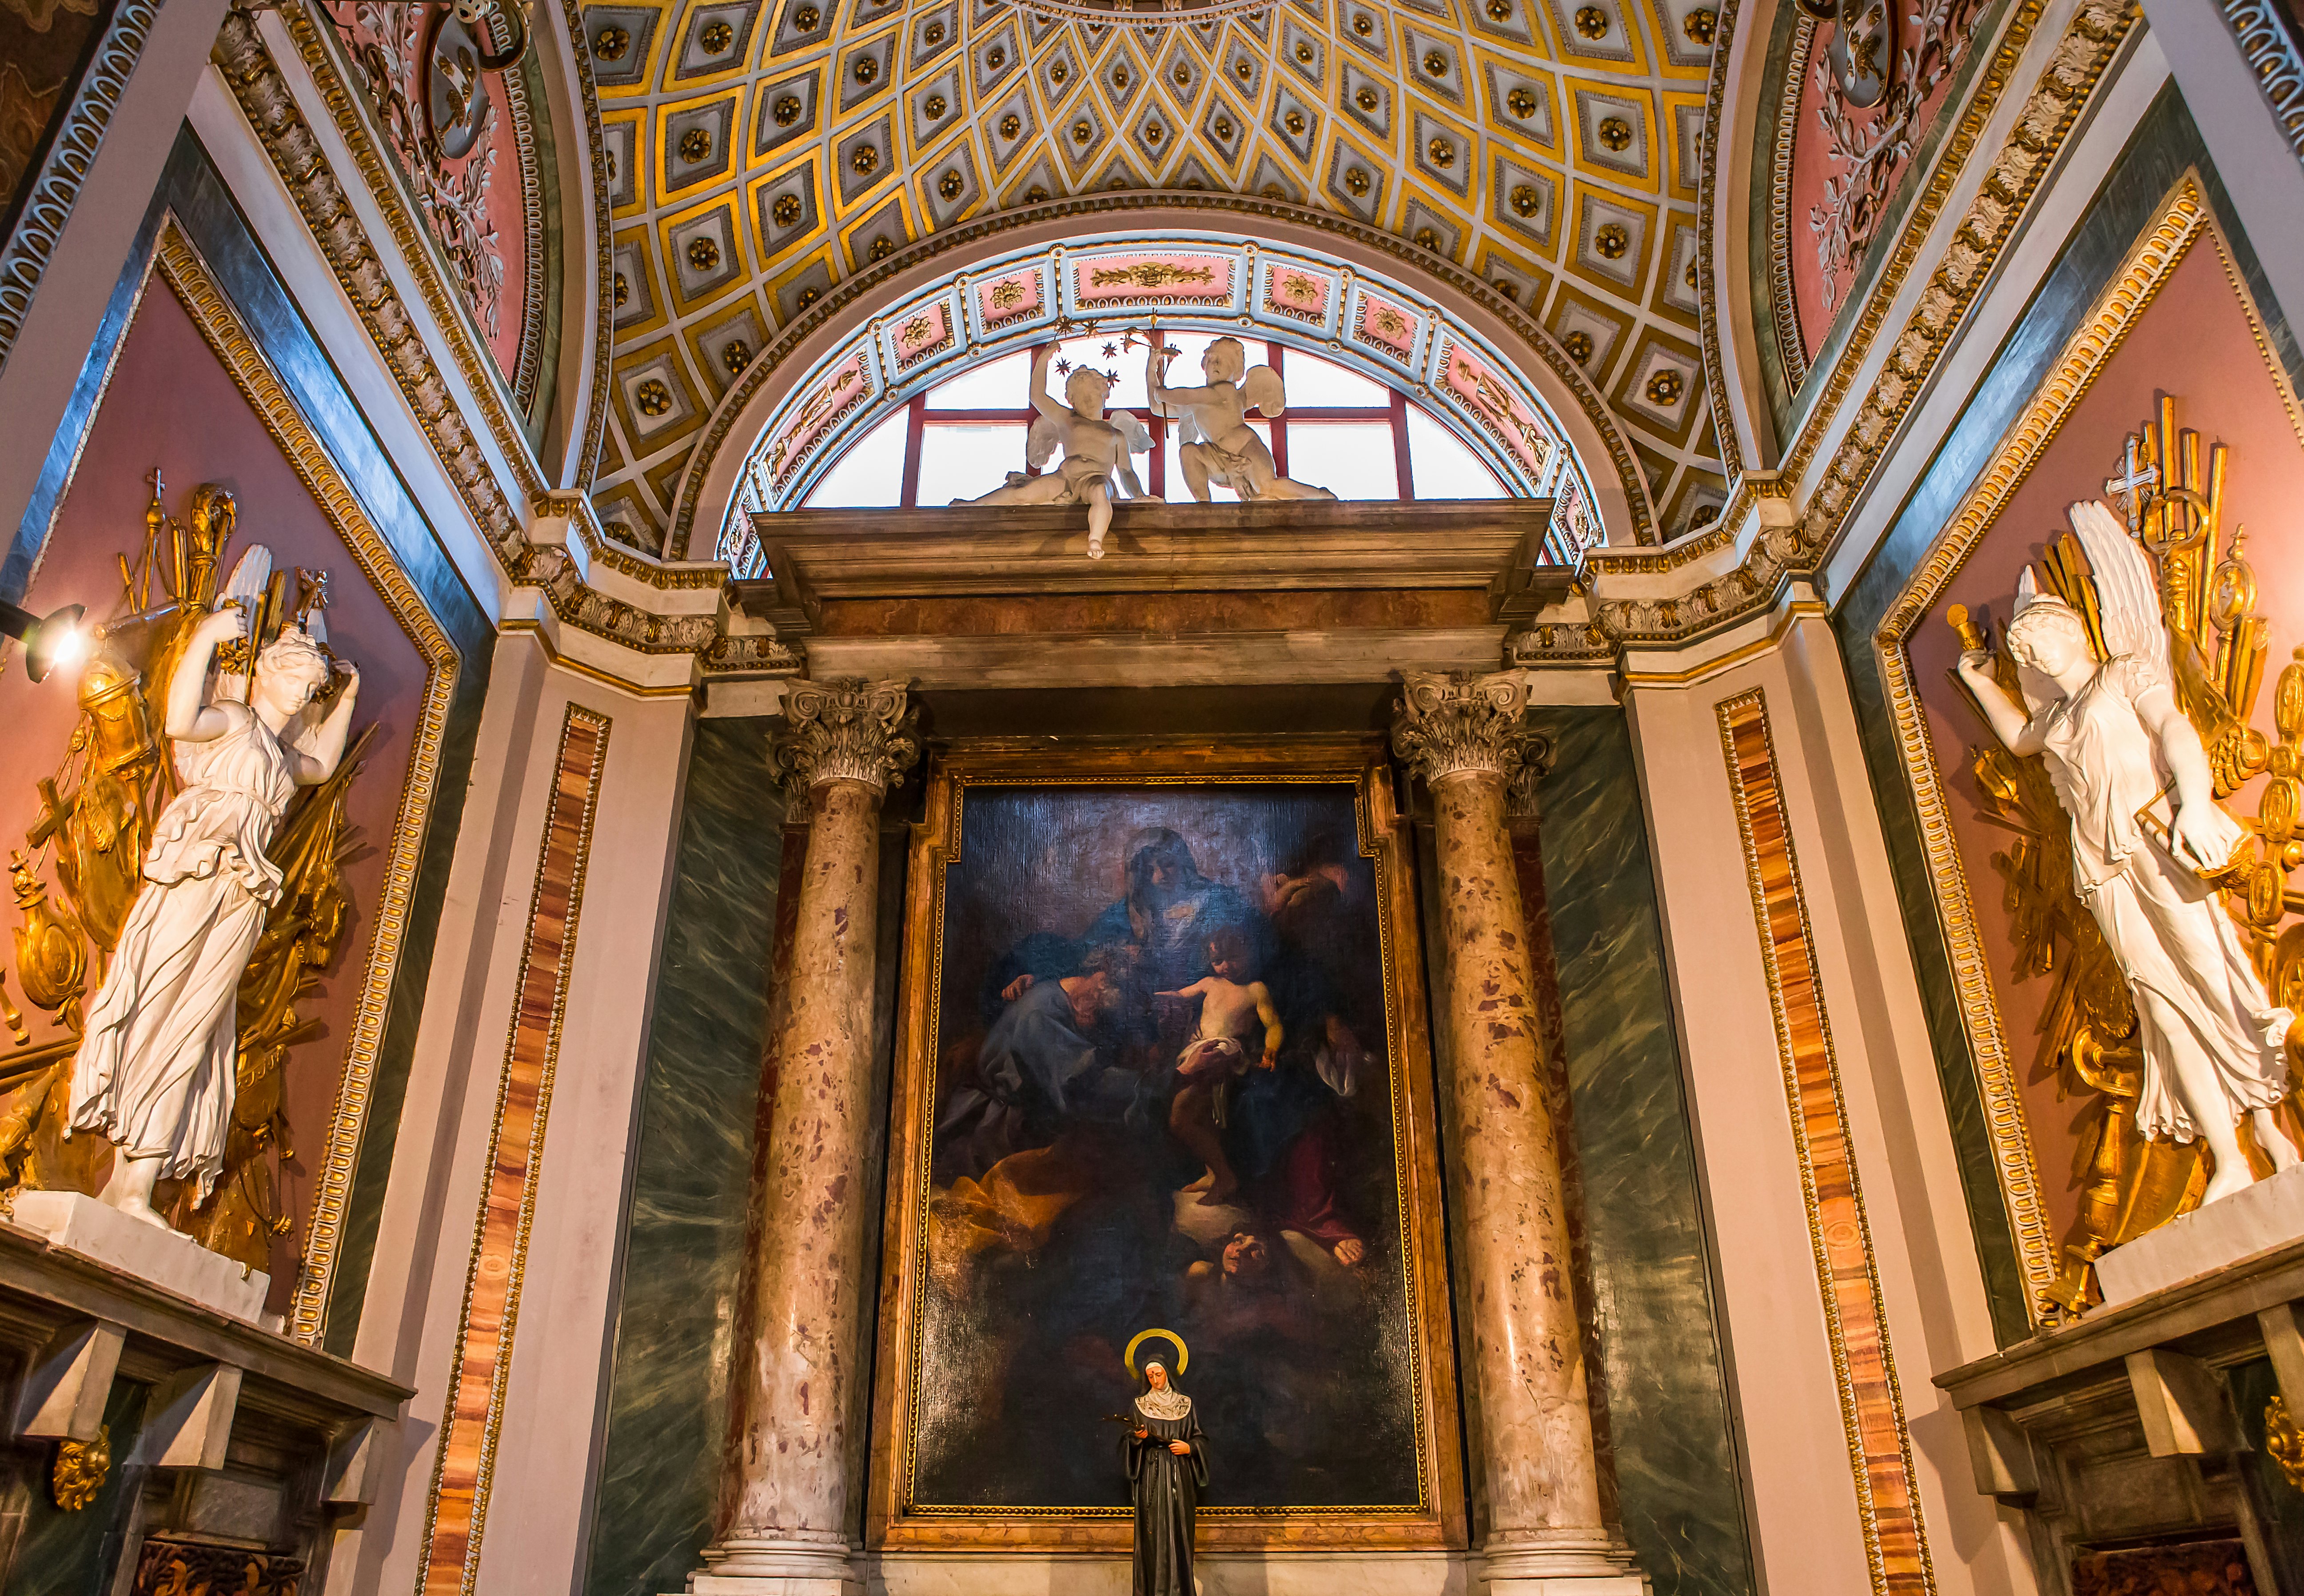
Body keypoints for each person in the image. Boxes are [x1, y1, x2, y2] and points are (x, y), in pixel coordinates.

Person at [1956, 501, 2297, 1203]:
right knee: (2159, 1006)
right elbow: (2021, 740)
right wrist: (1979, 680)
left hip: (2152, 844)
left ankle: (2270, 1128)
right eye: (2022, 652)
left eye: (2037, 642)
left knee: (2209, 975)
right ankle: (2227, 1157)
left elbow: (2173, 730)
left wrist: (2196, 804)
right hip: (2101, 868)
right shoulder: (2052, 719)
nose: (2030, 656)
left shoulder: (2122, 674)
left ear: (2071, 631)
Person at [68, 609, 359, 1223]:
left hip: (241, 900)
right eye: (298, 680)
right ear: (264, 673)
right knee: (159, 1007)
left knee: (196, 1028)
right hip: (197, 876)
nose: (305, 695)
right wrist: (204, 638)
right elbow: (178, 719)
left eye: (313, 689)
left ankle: (136, 1185)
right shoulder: (234, 721)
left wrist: (350, 696)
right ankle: (125, 1179)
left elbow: (323, 766)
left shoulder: (281, 758)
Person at [954, 341, 1154, 558]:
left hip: (1096, 477)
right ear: (1071, 401)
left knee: (1099, 493)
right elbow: (1037, 396)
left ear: (1104, 396)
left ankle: (1095, 539)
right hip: (1066, 476)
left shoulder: (1116, 434)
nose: (1086, 402)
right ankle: (975, 505)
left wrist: (1139, 495)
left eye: (1091, 396)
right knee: (1023, 494)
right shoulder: (1068, 419)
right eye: (1079, 398)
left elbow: (1126, 472)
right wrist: (1044, 359)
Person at [1158, 927, 1283, 1204]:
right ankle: (1213, 1173)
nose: (1225, 966)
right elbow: (1180, 995)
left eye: (1233, 958)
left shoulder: (1255, 989)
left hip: (1225, 1050)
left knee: (1180, 1119)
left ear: (1247, 953)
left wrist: (1271, 1049)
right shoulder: (1209, 984)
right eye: (1218, 961)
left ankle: (1226, 1177)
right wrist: (1156, 996)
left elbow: (1273, 1024)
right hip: (1199, 1048)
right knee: (1206, 1118)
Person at [1147, 336, 1334, 503]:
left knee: (1268, 487)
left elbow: (1184, 396)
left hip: (1246, 449)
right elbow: (1157, 409)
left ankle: (1318, 496)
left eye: (1223, 361)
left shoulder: (1225, 392)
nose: (1216, 365)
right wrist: (1151, 370)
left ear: (1235, 371)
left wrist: (1162, 393)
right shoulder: (1199, 401)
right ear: (1204, 364)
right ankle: (1203, 504)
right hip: (1219, 458)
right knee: (1188, 451)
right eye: (1212, 359)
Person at [1125, 1361, 1205, 1596]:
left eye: (1158, 1374)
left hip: (1180, 1474)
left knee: (1180, 1532)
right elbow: (1127, 1442)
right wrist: (1138, 1439)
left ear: (1167, 1374)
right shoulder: (1140, 1406)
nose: (1155, 1380)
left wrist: (1190, 1448)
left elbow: (1201, 1439)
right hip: (1152, 1475)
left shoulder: (1186, 1405)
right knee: (1154, 1537)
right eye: (1150, 1376)